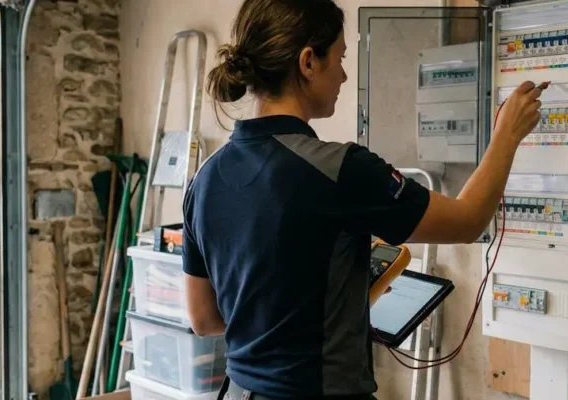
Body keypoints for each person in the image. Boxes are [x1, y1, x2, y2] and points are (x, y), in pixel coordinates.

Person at [180, 0, 545, 398]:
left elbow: (204, 319)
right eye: (339, 57)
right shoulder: (341, 169)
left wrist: (334, 302)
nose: (343, 74)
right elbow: (469, 220)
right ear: (308, 62)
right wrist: (508, 133)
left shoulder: (205, 178)